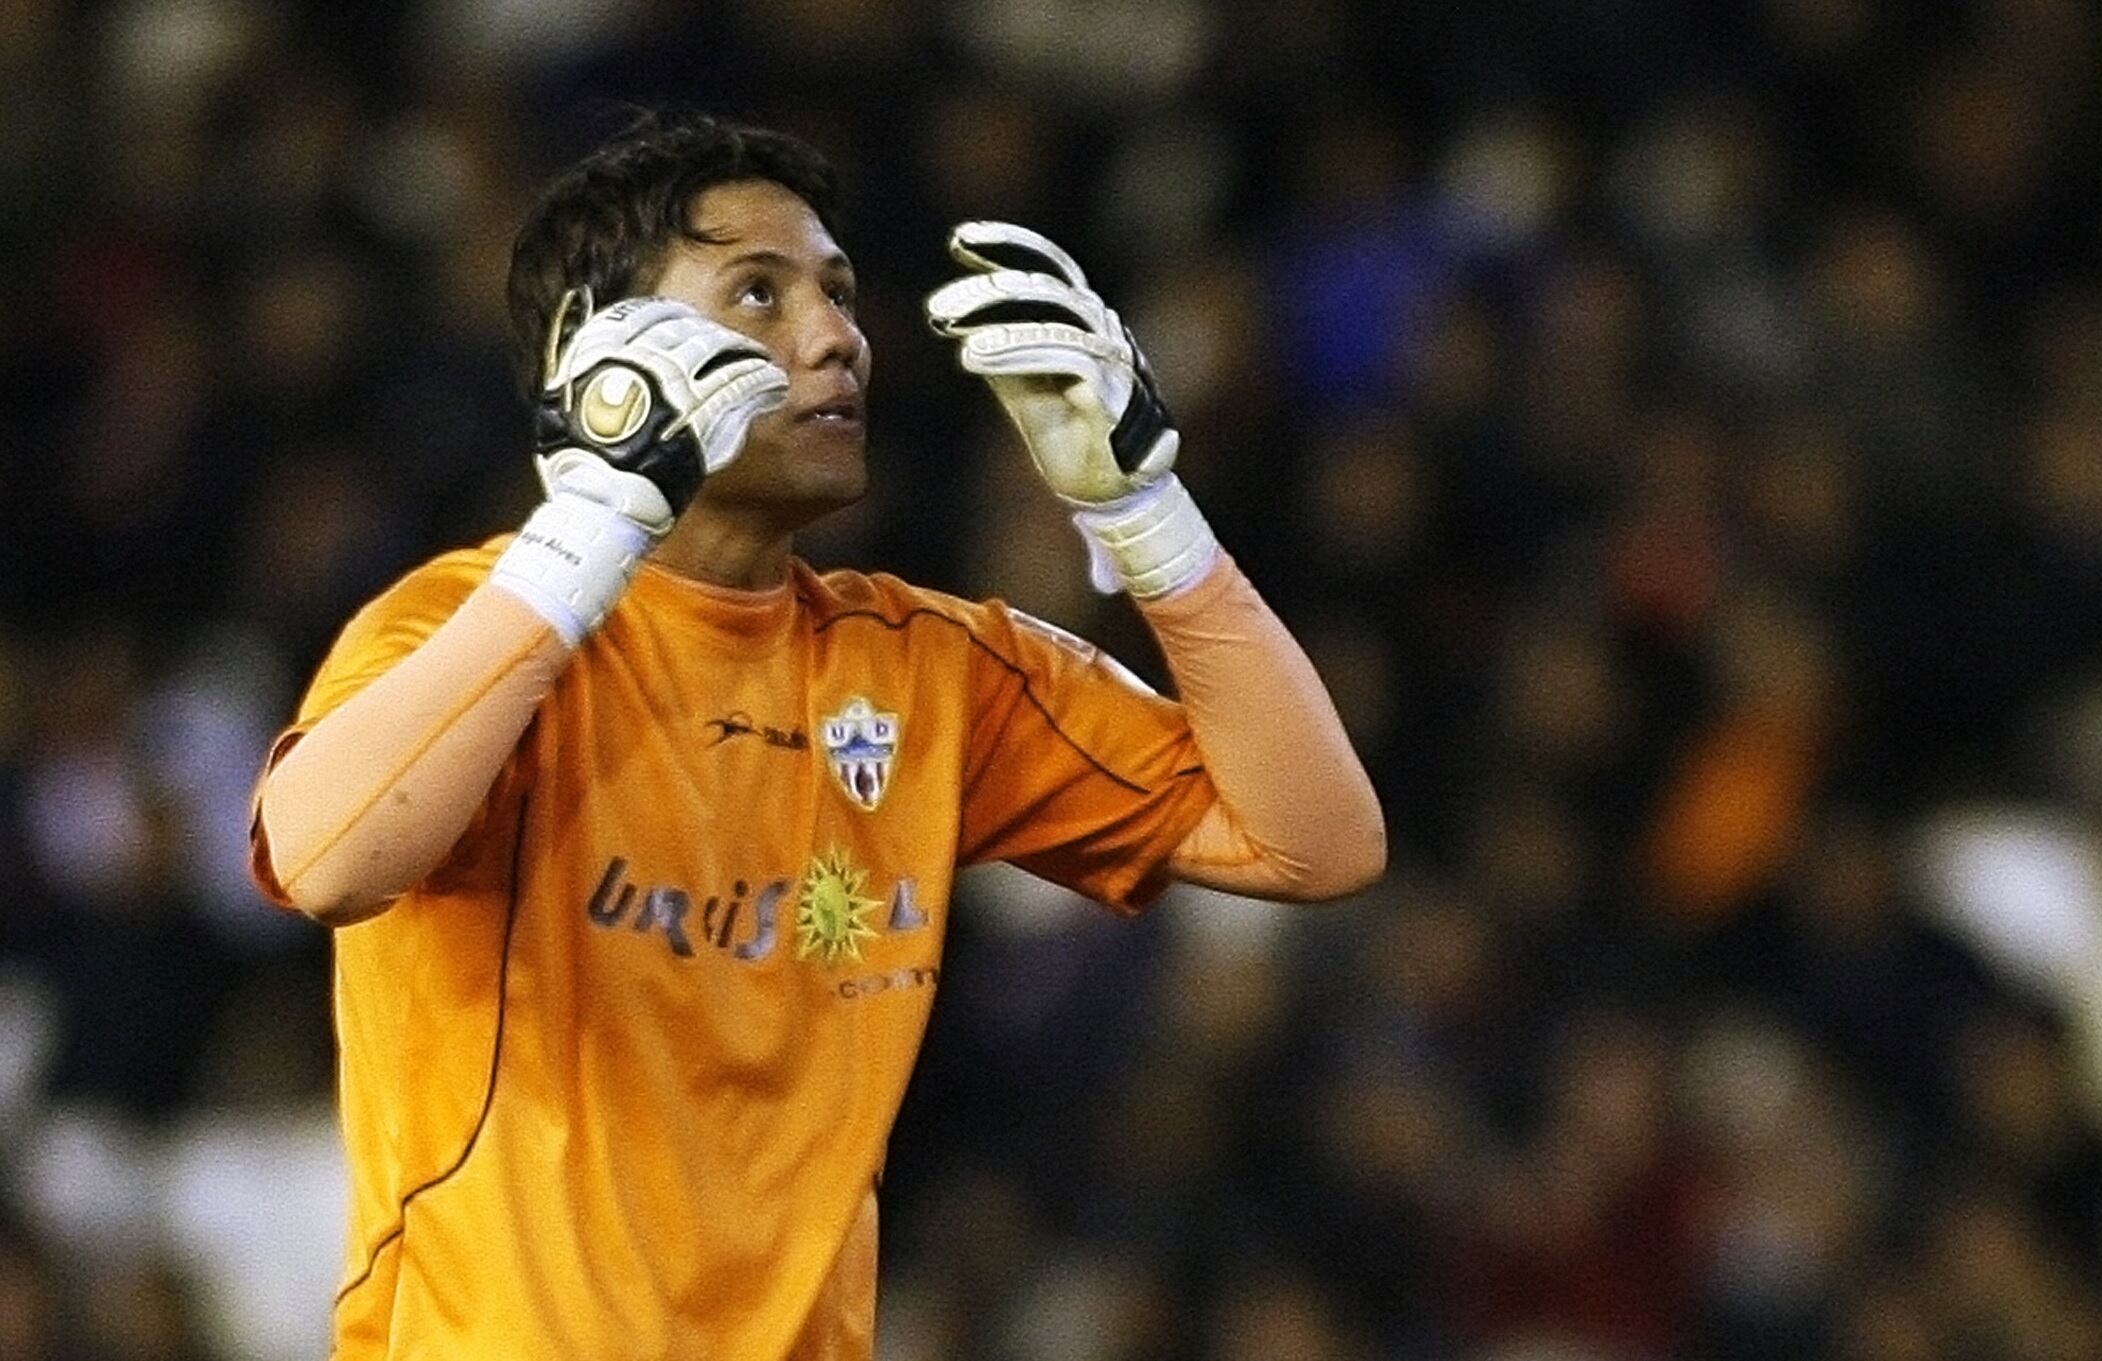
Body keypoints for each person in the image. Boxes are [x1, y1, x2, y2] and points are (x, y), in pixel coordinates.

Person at [247, 108, 1384, 1359]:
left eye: (838, 294)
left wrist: (1150, 520)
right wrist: (590, 527)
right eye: (757, 291)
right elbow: (325, 861)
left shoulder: (930, 672)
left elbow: (1315, 842)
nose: (837, 337)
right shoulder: (463, 626)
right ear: (600, 352)